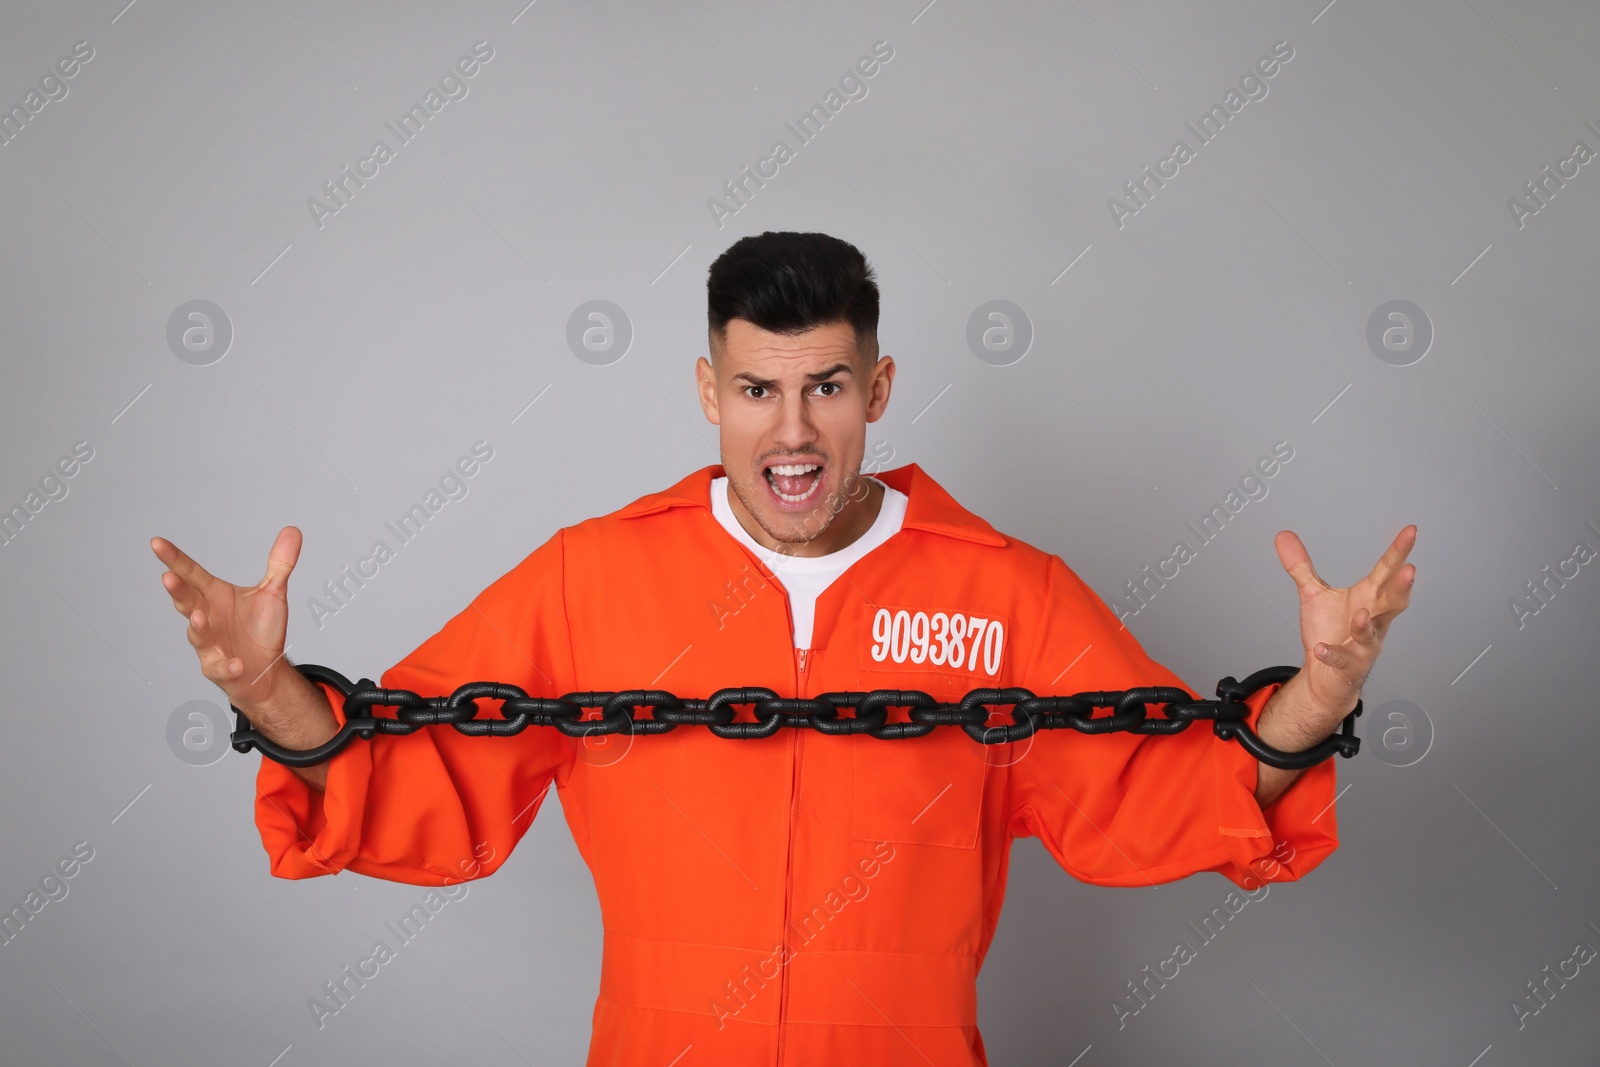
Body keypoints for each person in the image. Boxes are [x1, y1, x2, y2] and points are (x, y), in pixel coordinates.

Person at [151, 231, 1415, 1065]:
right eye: (758, 388)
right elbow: (422, 779)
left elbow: (1166, 792)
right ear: (709, 392)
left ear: (877, 386)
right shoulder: (593, 578)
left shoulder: (1005, 594)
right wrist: (272, 691)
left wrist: (1310, 698)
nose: (792, 428)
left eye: (826, 385)